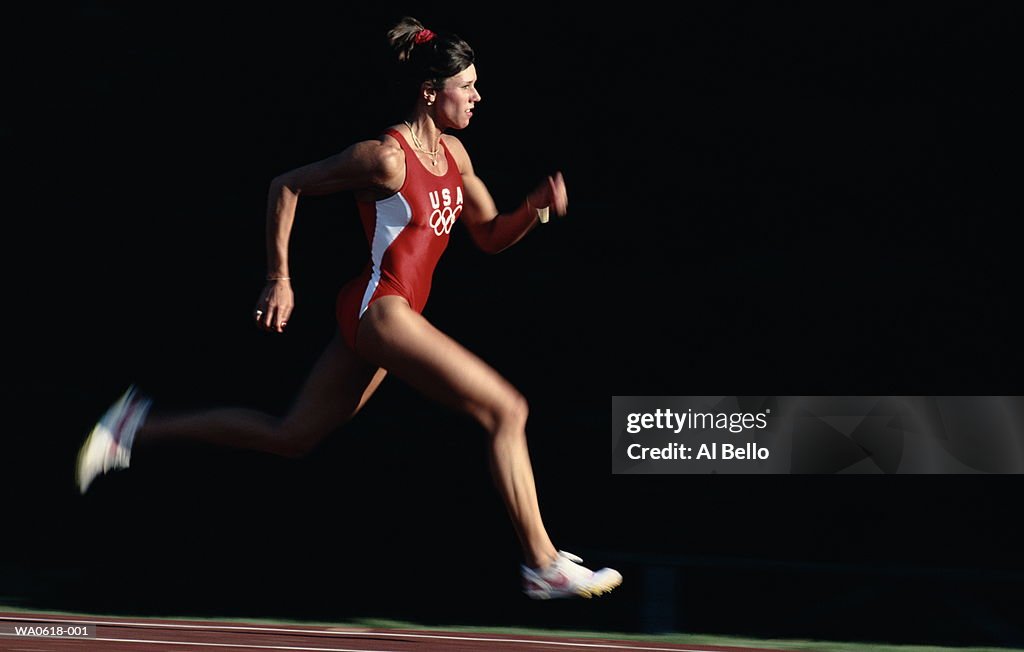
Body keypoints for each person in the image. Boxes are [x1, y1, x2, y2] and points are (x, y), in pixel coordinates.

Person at [76, 15, 621, 600]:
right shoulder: (385, 158)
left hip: (386, 317)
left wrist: (535, 209)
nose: (478, 96)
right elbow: (286, 185)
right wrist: (278, 277)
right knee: (506, 409)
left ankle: (134, 427)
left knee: (291, 436)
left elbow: (488, 234)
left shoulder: (456, 157)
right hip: (380, 310)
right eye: (468, 86)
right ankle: (541, 563)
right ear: (430, 91)